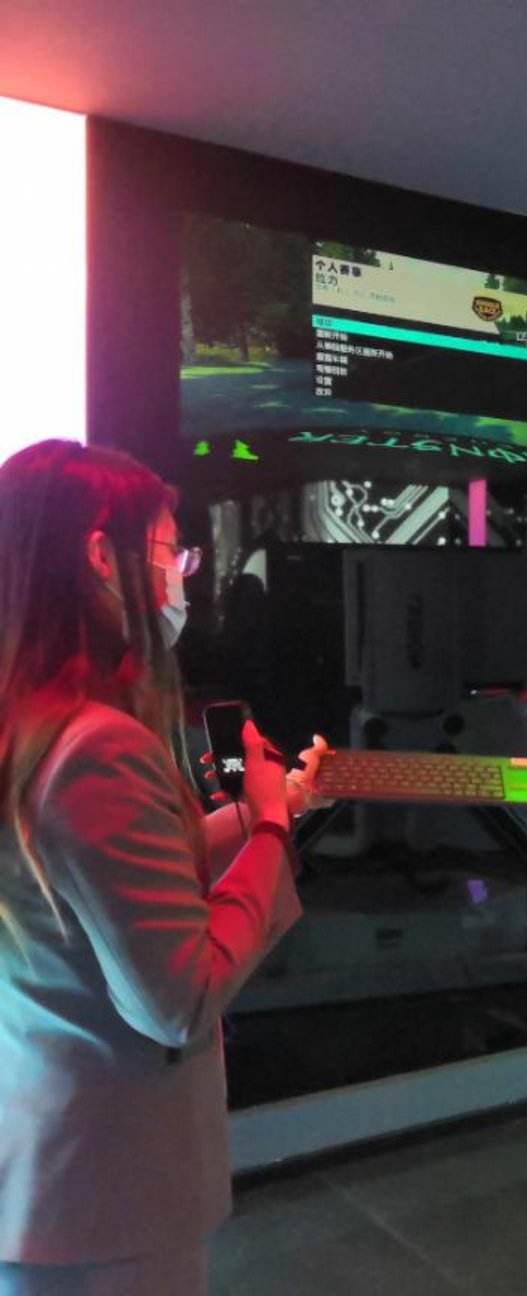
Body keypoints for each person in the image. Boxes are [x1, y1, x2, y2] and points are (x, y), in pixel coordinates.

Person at [0, 440, 319, 1294]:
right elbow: (179, 998)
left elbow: (103, 889)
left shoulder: (31, 725)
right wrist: (270, 830)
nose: (183, 577)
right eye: (170, 552)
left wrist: (265, 806)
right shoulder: (97, 746)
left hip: (52, 1172)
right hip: (107, 1195)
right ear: (100, 557)